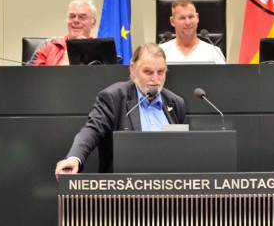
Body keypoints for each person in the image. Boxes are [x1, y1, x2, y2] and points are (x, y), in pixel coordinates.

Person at [55, 42, 187, 179]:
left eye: (161, 72)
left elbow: (183, 148)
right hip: (124, 191)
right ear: (132, 69)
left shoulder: (176, 103)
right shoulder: (114, 97)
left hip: (169, 190)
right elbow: (92, 130)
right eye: (148, 72)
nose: (155, 79)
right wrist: (74, 158)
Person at [27, 0, 97, 65]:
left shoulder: (99, 49)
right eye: (72, 16)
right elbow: (32, 74)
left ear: (93, 23)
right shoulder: (47, 45)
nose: (76, 20)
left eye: (82, 17)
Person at [159, 0, 226, 64]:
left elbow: (225, 75)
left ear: (197, 17)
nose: (188, 22)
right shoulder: (160, 52)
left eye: (191, 17)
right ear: (172, 21)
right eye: (182, 18)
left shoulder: (214, 52)